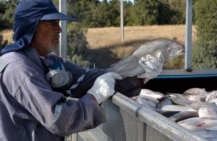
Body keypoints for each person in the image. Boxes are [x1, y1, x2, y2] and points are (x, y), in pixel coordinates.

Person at [0, 0, 148, 141]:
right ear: (31, 26)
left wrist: (139, 73)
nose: (59, 29)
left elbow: (87, 77)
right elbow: (59, 120)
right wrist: (95, 97)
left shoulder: (46, 61)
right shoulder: (20, 69)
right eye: (52, 23)